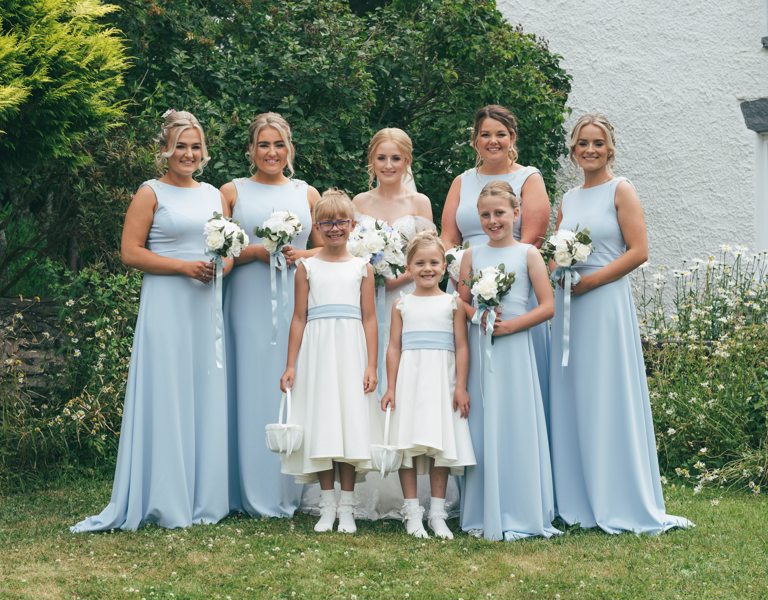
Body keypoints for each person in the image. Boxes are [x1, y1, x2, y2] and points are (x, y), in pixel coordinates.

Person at [71, 110, 229, 531]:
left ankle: (204, 497)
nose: (188, 154)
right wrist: (182, 268)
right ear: (164, 150)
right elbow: (130, 252)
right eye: (180, 146)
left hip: (205, 306)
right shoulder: (150, 192)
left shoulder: (215, 195)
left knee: (202, 390)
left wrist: (220, 268)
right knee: (168, 389)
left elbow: (227, 250)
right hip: (166, 302)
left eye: (195, 146)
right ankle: (164, 496)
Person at [549, 114, 693, 534]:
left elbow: (638, 250)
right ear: (573, 150)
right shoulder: (569, 198)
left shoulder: (621, 189)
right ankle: (576, 498)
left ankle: (619, 497)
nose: (589, 150)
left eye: (597, 143)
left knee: (607, 394)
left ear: (610, 148)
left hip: (605, 302)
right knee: (573, 395)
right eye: (582, 144)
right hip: (570, 305)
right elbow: (560, 250)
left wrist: (591, 281)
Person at [221, 113, 322, 518]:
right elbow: (222, 250)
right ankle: (244, 485)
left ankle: (290, 486)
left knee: (289, 383)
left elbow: (329, 247)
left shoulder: (307, 193)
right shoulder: (232, 192)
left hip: (295, 304)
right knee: (248, 383)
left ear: (290, 149)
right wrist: (258, 252)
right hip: (246, 299)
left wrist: (300, 254)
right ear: (251, 150)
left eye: (279, 145)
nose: (271, 152)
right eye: (263, 144)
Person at [458, 181, 559, 541]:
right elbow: (461, 302)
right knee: (484, 425)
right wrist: (478, 317)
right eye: (485, 215)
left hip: (515, 348)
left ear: (516, 214)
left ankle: (521, 506)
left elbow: (548, 306)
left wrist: (511, 326)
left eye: (499, 213)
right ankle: (481, 509)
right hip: (480, 343)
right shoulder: (471, 254)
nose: (492, 220)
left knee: (515, 421)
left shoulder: (527, 254)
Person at [441, 105, 552, 426]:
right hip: (464, 283)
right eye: (485, 135)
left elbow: (533, 239)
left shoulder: (528, 178)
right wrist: (458, 271)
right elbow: (448, 236)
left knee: (514, 380)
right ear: (475, 141)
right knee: (466, 372)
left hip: (513, 289)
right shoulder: (462, 181)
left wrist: (497, 284)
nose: (493, 141)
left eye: (500, 134)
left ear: (512, 138)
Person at [280, 190, 378, 534]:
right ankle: (326, 505)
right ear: (317, 227)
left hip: (351, 351)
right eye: (326, 222)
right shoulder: (306, 268)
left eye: (341, 222)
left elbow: (370, 318)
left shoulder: (363, 268)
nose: (334, 228)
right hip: (317, 352)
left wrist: (371, 365)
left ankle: (348, 507)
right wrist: (291, 365)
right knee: (322, 422)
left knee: (348, 424)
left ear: (352, 225)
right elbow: (298, 318)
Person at [381, 231, 476, 539]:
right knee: (407, 445)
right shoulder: (401, 304)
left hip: (442, 382)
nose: (427, 268)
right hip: (410, 380)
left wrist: (460, 386)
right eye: (419, 263)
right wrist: (391, 387)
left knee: (440, 444)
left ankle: (437, 513)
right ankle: (412, 512)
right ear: (408, 267)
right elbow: (393, 347)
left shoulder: (453, 304)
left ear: (444, 267)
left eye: (434, 262)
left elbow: (462, 347)